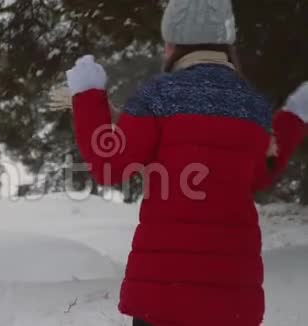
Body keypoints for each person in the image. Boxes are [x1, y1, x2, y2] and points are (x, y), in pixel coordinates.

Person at [65, 0, 308, 325]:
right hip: (232, 297)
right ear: (226, 43)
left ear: (172, 44)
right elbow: (261, 173)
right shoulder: (252, 104)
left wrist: (87, 96)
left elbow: (110, 165)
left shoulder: (158, 96)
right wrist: (292, 119)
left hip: (163, 295)